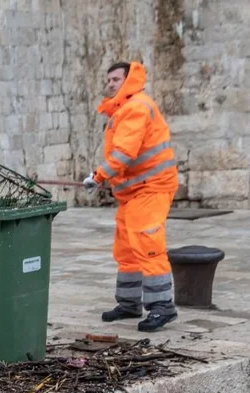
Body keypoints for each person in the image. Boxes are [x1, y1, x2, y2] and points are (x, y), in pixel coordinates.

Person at [83, 61, 179, 331]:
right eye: (109, 80)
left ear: (129, 80)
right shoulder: (126, 109)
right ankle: (128, 304)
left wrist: (98, 176)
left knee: (148, 245)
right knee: (126, 249)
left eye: (116, 79)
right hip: (134, 191)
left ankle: (162, 307)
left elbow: (125, 153)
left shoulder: (136, 107)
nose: (110, 84)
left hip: (151, 188)